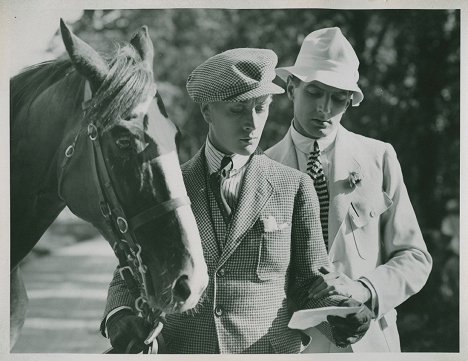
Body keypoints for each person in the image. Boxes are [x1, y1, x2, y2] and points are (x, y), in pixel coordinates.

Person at [100, 47, 372, 353]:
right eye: (237, 109)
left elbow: (310, 284)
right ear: (207, 112)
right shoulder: (169, 187)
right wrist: (119, 315)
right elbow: (131, 275)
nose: (252, 124)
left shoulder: (293, 186)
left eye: (261, 108)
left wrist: (339, 314)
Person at [266, 27, 432, 352]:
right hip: (292, 346)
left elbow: (414, 256)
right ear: (290, 88)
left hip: (368, 344)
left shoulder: (378, 157)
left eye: (339, 97)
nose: (325, 109)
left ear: (350, 101)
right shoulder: (262, 169)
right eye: (314, 92)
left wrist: (365, 289)